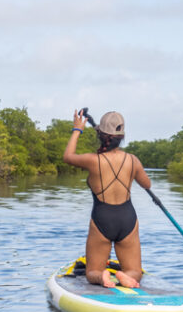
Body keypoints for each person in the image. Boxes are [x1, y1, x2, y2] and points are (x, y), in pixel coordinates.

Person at [62, 109, 151, 289]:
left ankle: (101, 276)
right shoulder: (133, 160)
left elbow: (68, 157)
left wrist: (77, 129)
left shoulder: (93, 160)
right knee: (135, 271)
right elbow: (147, 184)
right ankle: (125, 276)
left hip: (102, 218)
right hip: (127, 219)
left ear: (101, 136)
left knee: (92, 272)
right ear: (122, 136)